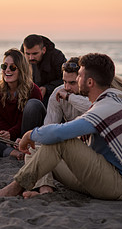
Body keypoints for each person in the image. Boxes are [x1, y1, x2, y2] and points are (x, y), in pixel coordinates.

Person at [0, 53, 122, 200]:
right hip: (98, 176)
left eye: (78, 76)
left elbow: (62, 133)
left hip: (120, 185)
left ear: (89, 82)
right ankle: (45, 191)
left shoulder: (106, 107)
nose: (69, 83)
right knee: (35, 149)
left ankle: (14, 188)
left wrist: (29, 134)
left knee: (60, 140)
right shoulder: (110, 98)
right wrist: (35, 138)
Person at [23, 57, 92, 198]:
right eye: (64, 82)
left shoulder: (94, 94)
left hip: (91, 157)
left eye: (72, 83)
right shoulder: (58, 93)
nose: (66, 87)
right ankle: (45, 189)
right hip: (68, 153)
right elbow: (48, 128)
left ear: (83, 80)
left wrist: (69, 97)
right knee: (32, 150)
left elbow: (91, 107)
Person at [0, 48, 46, 159]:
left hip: (28, 133)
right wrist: (6, 135)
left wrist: (13, 134)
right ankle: (14, 152)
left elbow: (27, 119)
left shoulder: (33, 90)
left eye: (12, 67)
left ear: (21, 70)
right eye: (4, 66)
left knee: (33, 104)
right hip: (11, 136)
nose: (7, 70)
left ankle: (23, 144)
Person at [20, 34, 66, 107]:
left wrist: (47, 88)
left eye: (35, 53)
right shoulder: (21, 56)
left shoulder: (57, 56)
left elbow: (66, 80)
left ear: (43, 50)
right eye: (27, 54)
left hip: (53, 94)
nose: (31, 58)